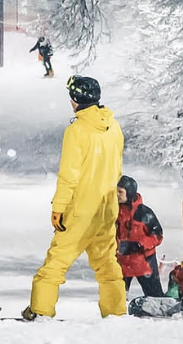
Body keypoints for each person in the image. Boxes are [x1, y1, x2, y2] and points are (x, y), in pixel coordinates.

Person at [24, 76, 126, 321]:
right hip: (106, 208)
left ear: (75, 99)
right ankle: (116, 311)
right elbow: (117, 169)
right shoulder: (113, 126)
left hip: (81, 210)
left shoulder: (77, 131)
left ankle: (40, 310)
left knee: (56, 263)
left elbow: (68, 176)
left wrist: (58, 208)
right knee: (107, 264)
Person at [116, 175, 164, 297]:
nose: (117, 194)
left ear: (130, 193)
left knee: (155, 297)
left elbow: (158, 236)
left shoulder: (144, 213)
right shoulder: (114, 211)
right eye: (116, 191)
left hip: (143, 262)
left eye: (120, 192)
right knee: (116, 298)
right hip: (122, 261)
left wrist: (140, 244)